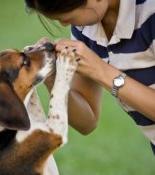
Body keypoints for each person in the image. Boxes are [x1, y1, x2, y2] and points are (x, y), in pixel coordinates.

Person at [24, 0, 155, 155]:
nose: (64, 25)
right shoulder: (86, 27)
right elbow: (87, 122)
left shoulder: (150, 11)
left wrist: (100, 71)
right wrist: (53, 77)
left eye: (66, 18)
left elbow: (101, 72)